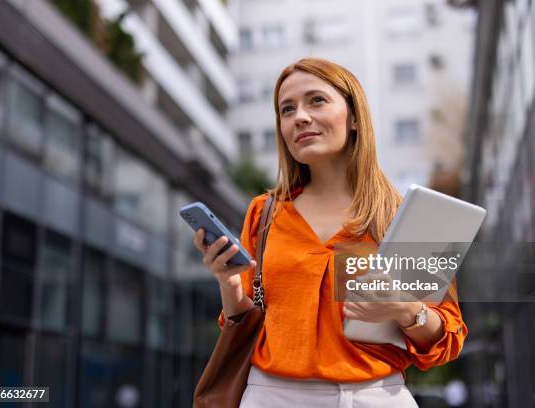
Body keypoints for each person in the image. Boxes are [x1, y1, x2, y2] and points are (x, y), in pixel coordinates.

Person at [192, 58, 467, 407]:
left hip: (376, 396)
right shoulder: (264, 213)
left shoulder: (404, 216)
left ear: (354, 117)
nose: (300, 117)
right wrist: (229, 285)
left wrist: (406, 310)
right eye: (286, 109)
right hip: (273, 396)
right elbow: (243, 324)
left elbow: (447, 340)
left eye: (316, 100)